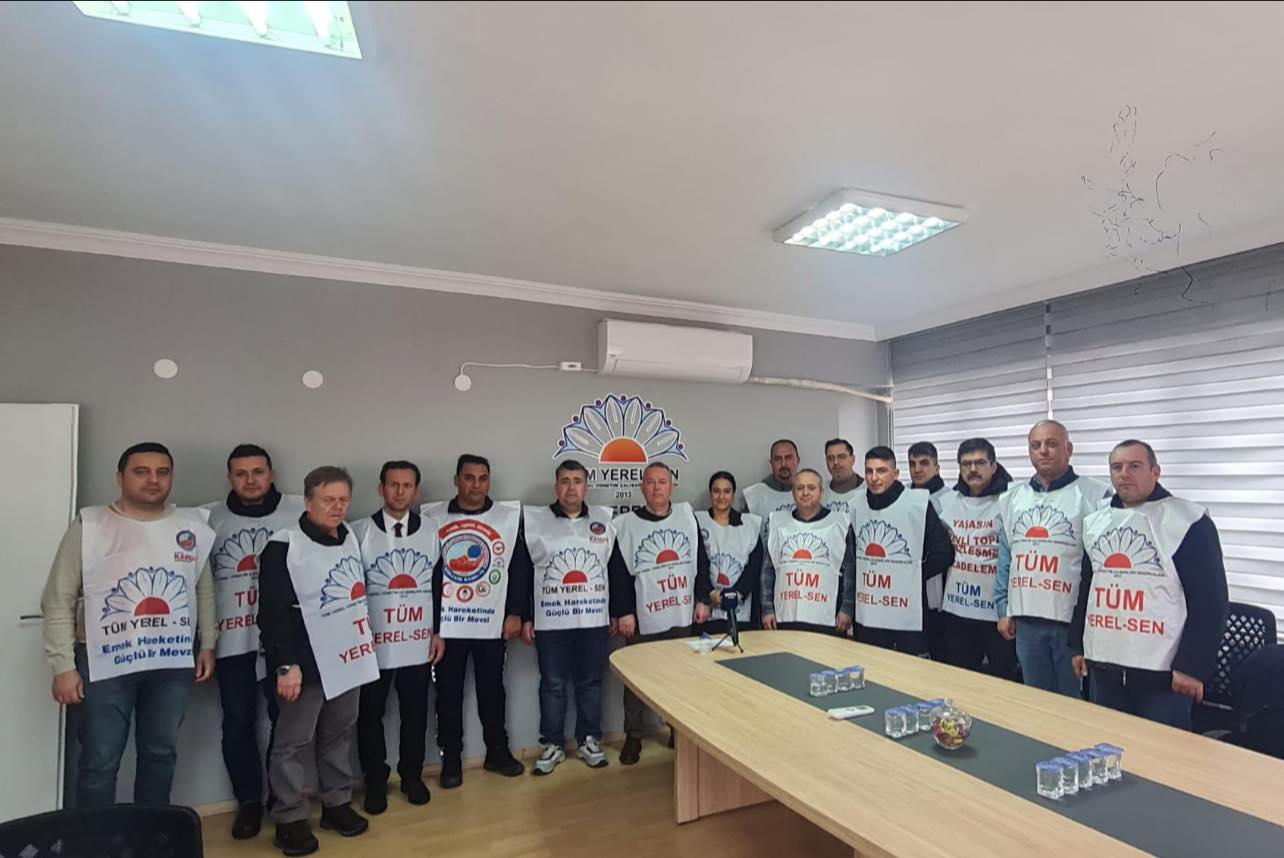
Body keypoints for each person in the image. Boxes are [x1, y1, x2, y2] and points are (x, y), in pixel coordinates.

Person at [42, 441, 216, 808]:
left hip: (171, 662)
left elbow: (202, 588)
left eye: (162, 472)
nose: (153, 480)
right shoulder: (91, 525)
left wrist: (207, 644)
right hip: (104, 661)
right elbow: (58, 598)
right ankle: (96, 835)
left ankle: (150, 833)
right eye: (141, 472)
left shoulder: (191, 527)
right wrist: (63, 666)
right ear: (120, 478)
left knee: (160, 754)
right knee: (100, 760)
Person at [258, 466, 377, 855]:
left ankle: (336, 802)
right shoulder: (284, 546)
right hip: (304, 663)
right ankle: (289, 816)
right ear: (309, 501)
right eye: (328, 500)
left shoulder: (350, 538)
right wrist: (285, 665)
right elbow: (272, 614)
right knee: (292, 742)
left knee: (339, 733)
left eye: (343, 500)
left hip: (347, 657)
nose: (337, 507)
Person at [1071, 441, 1229, 729]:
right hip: (1105, 667)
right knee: (1106, 745)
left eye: (1134, 466)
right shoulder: (1096, 521)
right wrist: (1078, 646)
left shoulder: (1187, 521)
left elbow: (1210, 601)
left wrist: (1191, 667)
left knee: (1162, 754)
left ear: (1155, 472)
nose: (1124, 474)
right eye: (1116, 467)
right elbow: (1088, 588)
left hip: (1163, 676)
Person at [205, 443, 305, 839]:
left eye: (258, 472)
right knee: (237, 722)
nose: (250, 480)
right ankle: (248, 802)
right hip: (232, 642)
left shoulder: (298, 513)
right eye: (241, 473)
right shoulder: (209, 519)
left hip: (283, 644)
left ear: (271, 474)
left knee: (287, 725)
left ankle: (285, 802)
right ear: (230, 477)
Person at [423, 454, 526, 788]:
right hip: (448, 626)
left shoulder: (507, 518)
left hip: (492, 623)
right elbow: (428, 574)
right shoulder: (433, 517)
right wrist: (432, 625)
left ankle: (497, 751)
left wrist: (515, 612)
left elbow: (518, 567)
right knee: (447, 694)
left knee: (493, 690)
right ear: (456, 481)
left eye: (483, 478)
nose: (476, 485)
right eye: (469, 478)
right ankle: (451, 758)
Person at [514, 460, 616, 776]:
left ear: (587, 487)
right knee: (553, 685)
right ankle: (553, 744)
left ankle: (589, 740)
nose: (571, 487)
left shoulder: (604, 520)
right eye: (565, 481)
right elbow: (522, 573)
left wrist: (617, 612)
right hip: (551, 622)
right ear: (556, 486)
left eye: (577, 481)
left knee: (590, 683)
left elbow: (614, 570)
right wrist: (525, 617)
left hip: (593, 620)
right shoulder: (535, 521)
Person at [995, 420, 1111, 697]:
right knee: (1035, 700)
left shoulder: (1096, 495)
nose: (1043, 451)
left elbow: (1100, 567)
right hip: (1026, 620)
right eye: (1036, 445)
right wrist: (1003, 609)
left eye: (1052, 444)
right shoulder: (1012, 498)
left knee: (1073, 703)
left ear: (1069, 449)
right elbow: (1007, 558)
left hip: (1072, 623)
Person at [352, 461, 442, 813]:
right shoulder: (359, 531)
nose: (400, 491)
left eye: (407, 485)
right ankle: (375, 781)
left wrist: (440, 632)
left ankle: (411, 776)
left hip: (418, 641)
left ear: (416, 491)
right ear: (381, 488)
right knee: (369, 714)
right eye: (394, 484)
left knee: (415, 713)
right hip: (372, 643)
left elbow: (440, 585)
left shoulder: (431, 531)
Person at [609, 462, 712, 765]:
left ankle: (677, 730)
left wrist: (703, 599)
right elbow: (618, 574)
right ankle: (633, 736)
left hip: (680, 612)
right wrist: (624, 612)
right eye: (651, 482)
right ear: (642, 487)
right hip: (643, 616)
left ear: (672, 487)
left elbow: (701, 562)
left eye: (662, 482)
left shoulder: (686, 516)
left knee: (680, 677)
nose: (656, 488)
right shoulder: (625, 525)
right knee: (636, 681)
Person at [852, 447, 955, 654]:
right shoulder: (856, 503)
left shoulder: (917, 504)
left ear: (896, 473)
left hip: (908, 609)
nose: (874, 477)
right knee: (872, 663)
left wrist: (912, 575)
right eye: (869, 471)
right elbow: (851, 555)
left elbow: (944, 552)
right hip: (869, 609)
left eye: (881, 471)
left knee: (910, 667)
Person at [936, 439, 1019, 680]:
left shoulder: (1011, 500)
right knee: (962, 679)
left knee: (1004, 679)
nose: (973, 469)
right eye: (966, 464)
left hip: (998, 614)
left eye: (980, 462)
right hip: (957, 609)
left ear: (994, 466)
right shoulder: (947, 503)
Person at [760, 469, 855, 635]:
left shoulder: (839, 524)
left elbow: (850, 570)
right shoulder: (778, 524)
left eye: (811, 488)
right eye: (799, 488)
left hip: (827, 617)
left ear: (821, 492)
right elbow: (768, 571)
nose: (805, 493)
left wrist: (847, 607)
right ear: (793, 493)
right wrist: (767, 608)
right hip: (785, 616)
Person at [694, 471, 763, 635]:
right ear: (710, 493)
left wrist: (736, 594)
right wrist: (709, 594)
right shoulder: (697, 522)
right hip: (706, 609)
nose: (721, 496)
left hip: (741, 611)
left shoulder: (749, 526)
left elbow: (754, 567)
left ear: (733, 494)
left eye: (726, 491)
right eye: (716, 491)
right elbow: (697, 564)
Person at [908, 441, 950, 663]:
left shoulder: (950, 499)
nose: (917, 469)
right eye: (912, 464)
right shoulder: (902, 497)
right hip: (905, 591)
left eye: (924, 463)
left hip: (940, 588)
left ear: (937, 467)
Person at [741, 439, 800, 534]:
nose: (783, 464)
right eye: (777, 459)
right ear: (771, 463)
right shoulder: (754, 496)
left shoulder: (810, 493)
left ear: (797, 460)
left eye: (788, 458)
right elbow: (746, 537)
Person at [822, 438, 864, 516]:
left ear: (852, 460)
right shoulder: (820, 493)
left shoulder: (869, 490)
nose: (835, 462)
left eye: (841, 457)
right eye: (830, 458)